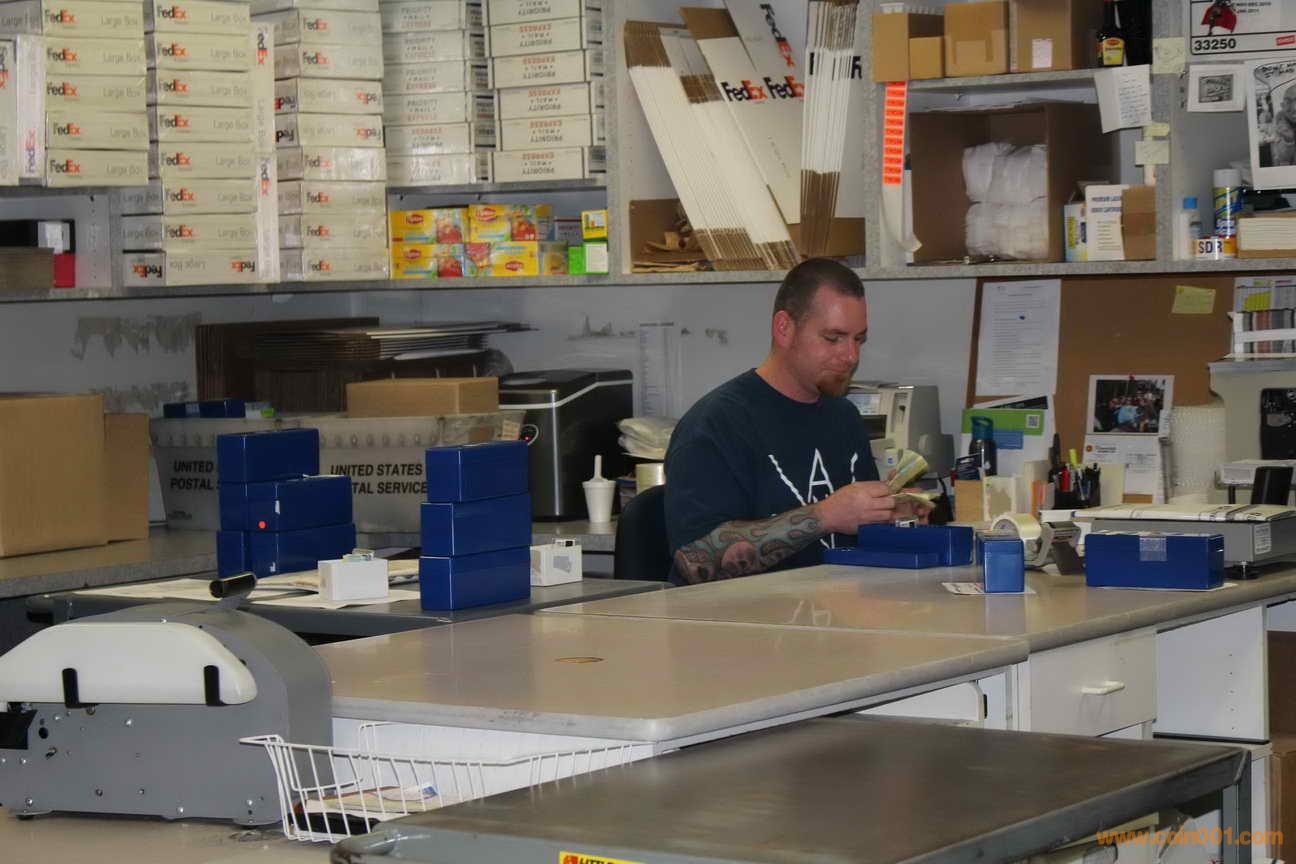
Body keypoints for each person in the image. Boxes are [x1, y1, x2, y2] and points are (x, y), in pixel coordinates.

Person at [664, 258, 930, 585]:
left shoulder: (842, 416)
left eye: (858, 339)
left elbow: (856, 541)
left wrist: (890, 516)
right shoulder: (716, 424)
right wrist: (824, 516)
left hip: (837, 607)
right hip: (748, 615)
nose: (851, 356)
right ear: (784, 329)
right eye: (833, 338)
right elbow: (697, 562)